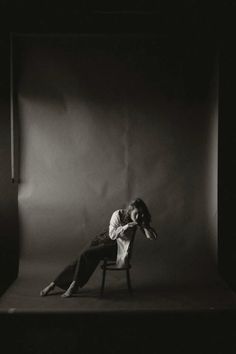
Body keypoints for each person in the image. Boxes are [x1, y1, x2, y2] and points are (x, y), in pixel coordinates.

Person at [40, 198, 158, 298]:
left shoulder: (138, 222)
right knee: (80, 258)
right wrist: (126, 227)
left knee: (88, 255)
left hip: (115, 249)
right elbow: (112, 235)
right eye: (136, 213)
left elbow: (152, 237)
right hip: (102, 239)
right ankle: (53, 284)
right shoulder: (118, 214)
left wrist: (144, 225)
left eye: (140, 214)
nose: (137, 216)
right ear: (130, 209)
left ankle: (74, 285)